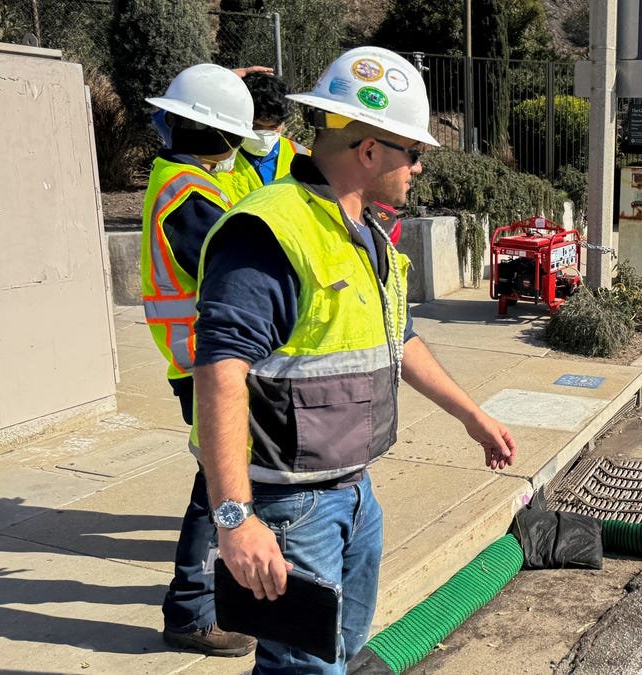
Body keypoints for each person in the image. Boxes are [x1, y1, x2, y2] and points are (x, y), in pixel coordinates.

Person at [191, 46, 517, 672]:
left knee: (339, 651)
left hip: (354, 492)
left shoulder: (362, 231)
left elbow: (401, 341)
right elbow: (219, 374)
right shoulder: (269, 233)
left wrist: (471, 416)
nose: (418, 168)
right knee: (304, 666)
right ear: (368, 151)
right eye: (413, 153)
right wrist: (234, 519)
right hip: (291, 505)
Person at [140, 64, 260, 656]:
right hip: (203, 363)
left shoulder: (187, 179)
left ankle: (217, 593)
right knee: (217, 487)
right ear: (221, 139)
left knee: (225, 481)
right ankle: (189, 613)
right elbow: (232, 261)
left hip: (200, 359)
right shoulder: (187, 194)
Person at [227, 71, 309, 199]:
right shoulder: (220, 157)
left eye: (273, 127)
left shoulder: (303, 157)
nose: (264, 135)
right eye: (256, 126)